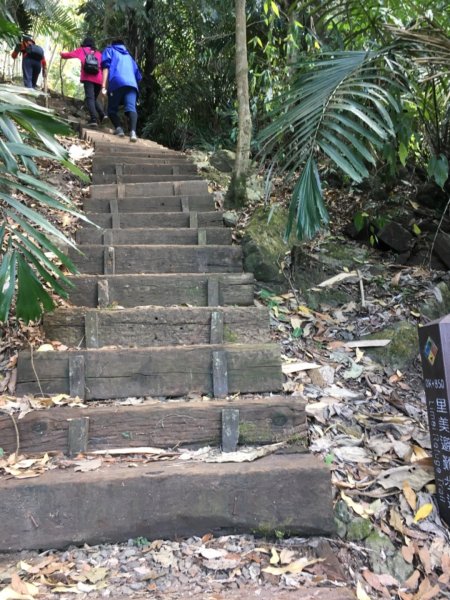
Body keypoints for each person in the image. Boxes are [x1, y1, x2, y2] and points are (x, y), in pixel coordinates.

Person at [101, 39, 142, 142]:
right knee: (131, 109)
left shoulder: (109, 50)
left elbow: (106, 68)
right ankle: (133, 132)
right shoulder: (129, 57)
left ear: (112, 44)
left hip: (117, 83)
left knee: (111, 110)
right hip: (132, 85)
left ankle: (119, 129)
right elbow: (138, 76)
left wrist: (103, 86)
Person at [60, 36, 105, 127]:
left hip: (88, 78)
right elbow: (104, 66)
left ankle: (93, 119)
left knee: (90, 99)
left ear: (84, 43)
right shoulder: (99, 54)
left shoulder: (82, 50)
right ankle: (102, 115)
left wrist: (61, 53)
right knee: (93, 98)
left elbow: (67, 55)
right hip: (99, 79)